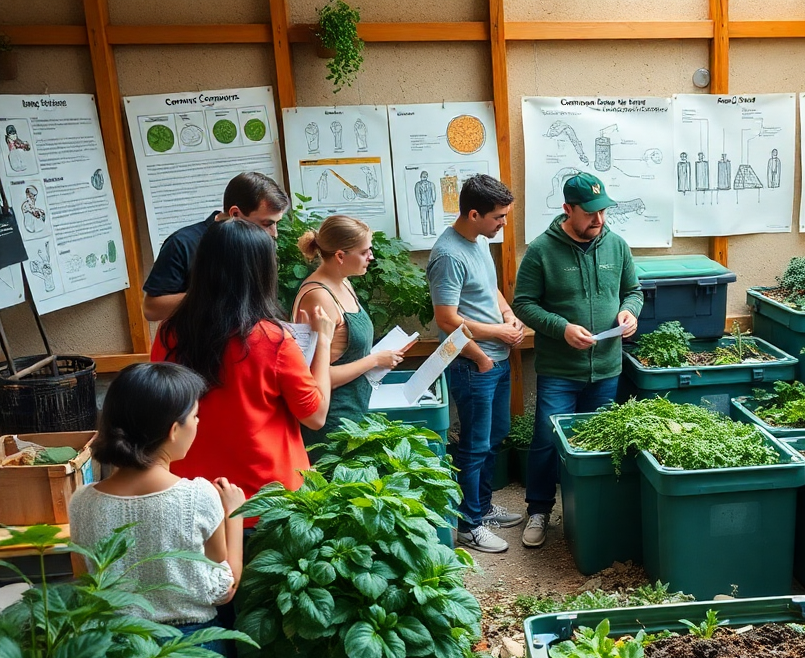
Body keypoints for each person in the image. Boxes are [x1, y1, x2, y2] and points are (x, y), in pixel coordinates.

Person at [68, 362, 246, 658]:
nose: (198, 423)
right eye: (195, 416)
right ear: (173, 429)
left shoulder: (83, 502)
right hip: (190, 654)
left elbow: (85, 584)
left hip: (116, 656)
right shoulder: (197, 496)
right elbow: (224, 587)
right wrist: (233, 513)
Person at [151, 218, 335, 524]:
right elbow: (315, 416)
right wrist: (323, 342)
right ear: (260, 272)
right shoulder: (272, 339)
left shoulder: (168, 332)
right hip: (266, 500)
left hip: (194, 499)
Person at [513, 172, 642, 547]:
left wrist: (630, 312)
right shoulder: (542, 251)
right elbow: (524, 304)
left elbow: (633, 291)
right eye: (589, 213)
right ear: (567, 209)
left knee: (597, 443)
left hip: (606, 369)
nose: (598, 220)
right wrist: (562, 328)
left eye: (603, 211)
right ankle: (539, 510)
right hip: (559, 370)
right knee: (545, 439)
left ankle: (591, 510)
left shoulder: (617, 246)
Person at [427, 174, 525, 553]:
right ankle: (468, 525)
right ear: (473, 214)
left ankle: (481, 508)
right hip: (474, 364)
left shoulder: (479, 241)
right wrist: (488, 348)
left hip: (495, 359)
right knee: (473, 446)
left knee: (494, 438)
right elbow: (447, 319)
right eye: (498, 217)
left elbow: (490, 288)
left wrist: (509, 315)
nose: (503, 223)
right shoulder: (448, 255)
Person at [291, 214, 412, 454]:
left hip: (354, 411)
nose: (371, 256)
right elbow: (315, 376)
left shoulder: (344, 281)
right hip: (332, 422)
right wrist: (374, 360)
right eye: (365, 251)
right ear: (340, 256)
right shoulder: (319, 297)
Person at [142, 172, 289, 322]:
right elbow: (151, 310)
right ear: (235, 214)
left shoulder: (263, 243)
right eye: (267, 224)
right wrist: (215, 295)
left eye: (276, 223)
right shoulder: (182, 243)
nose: (274, 233)